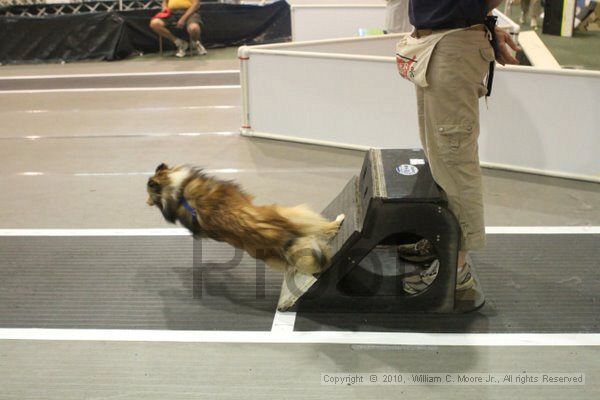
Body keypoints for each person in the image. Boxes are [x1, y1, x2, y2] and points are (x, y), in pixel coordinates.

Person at [397, 0, 520, 311]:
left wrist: (480, 19)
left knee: (455, 159)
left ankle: (457, 269)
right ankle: (446, 240)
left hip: (452, 44)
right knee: (440, 155)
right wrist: (485, 19)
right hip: (437, 43)